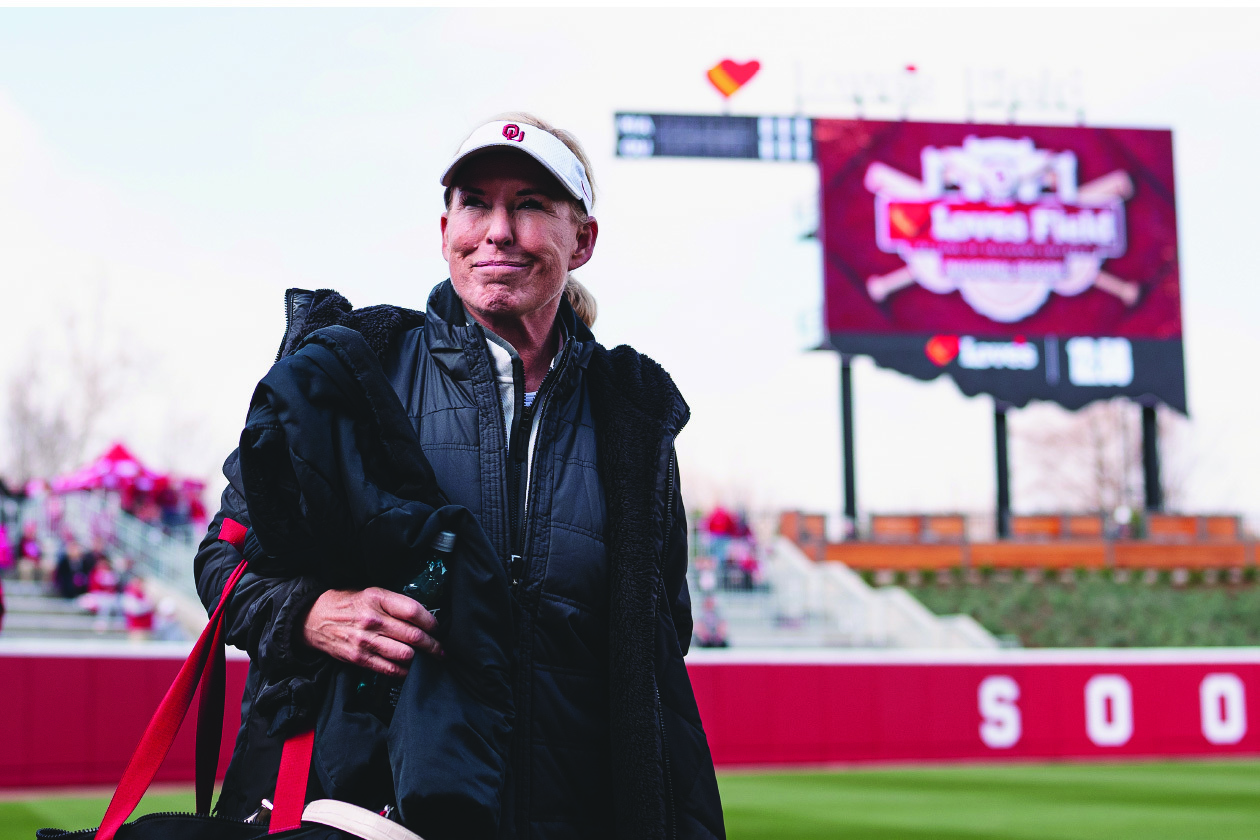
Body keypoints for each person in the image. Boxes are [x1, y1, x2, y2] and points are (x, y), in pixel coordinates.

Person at [194, 113, 724, 839]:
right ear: (445, 229)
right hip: (368, 816)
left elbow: (664, 637)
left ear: (584, 239)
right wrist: (313, 614)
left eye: (531, 205)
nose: (498, 230)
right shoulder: (355, 371)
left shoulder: (632, 421)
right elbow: (221, 562)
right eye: (476, 202)